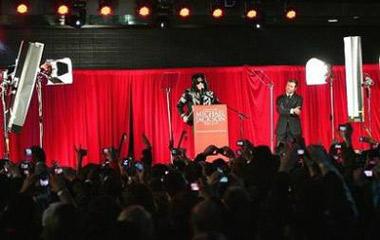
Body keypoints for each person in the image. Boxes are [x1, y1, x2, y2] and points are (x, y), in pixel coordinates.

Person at [276, 79, 303, 148]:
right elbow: (280, 110)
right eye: (288, 85)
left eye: (291, 86)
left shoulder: (299, 98)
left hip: (294, 128)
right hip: (282, 127)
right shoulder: (280, 98)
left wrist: (286, 110)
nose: (288, 87)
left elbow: (296, 113)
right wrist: (292, 110)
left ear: (295, 88)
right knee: (279, 149)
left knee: (295, 150)